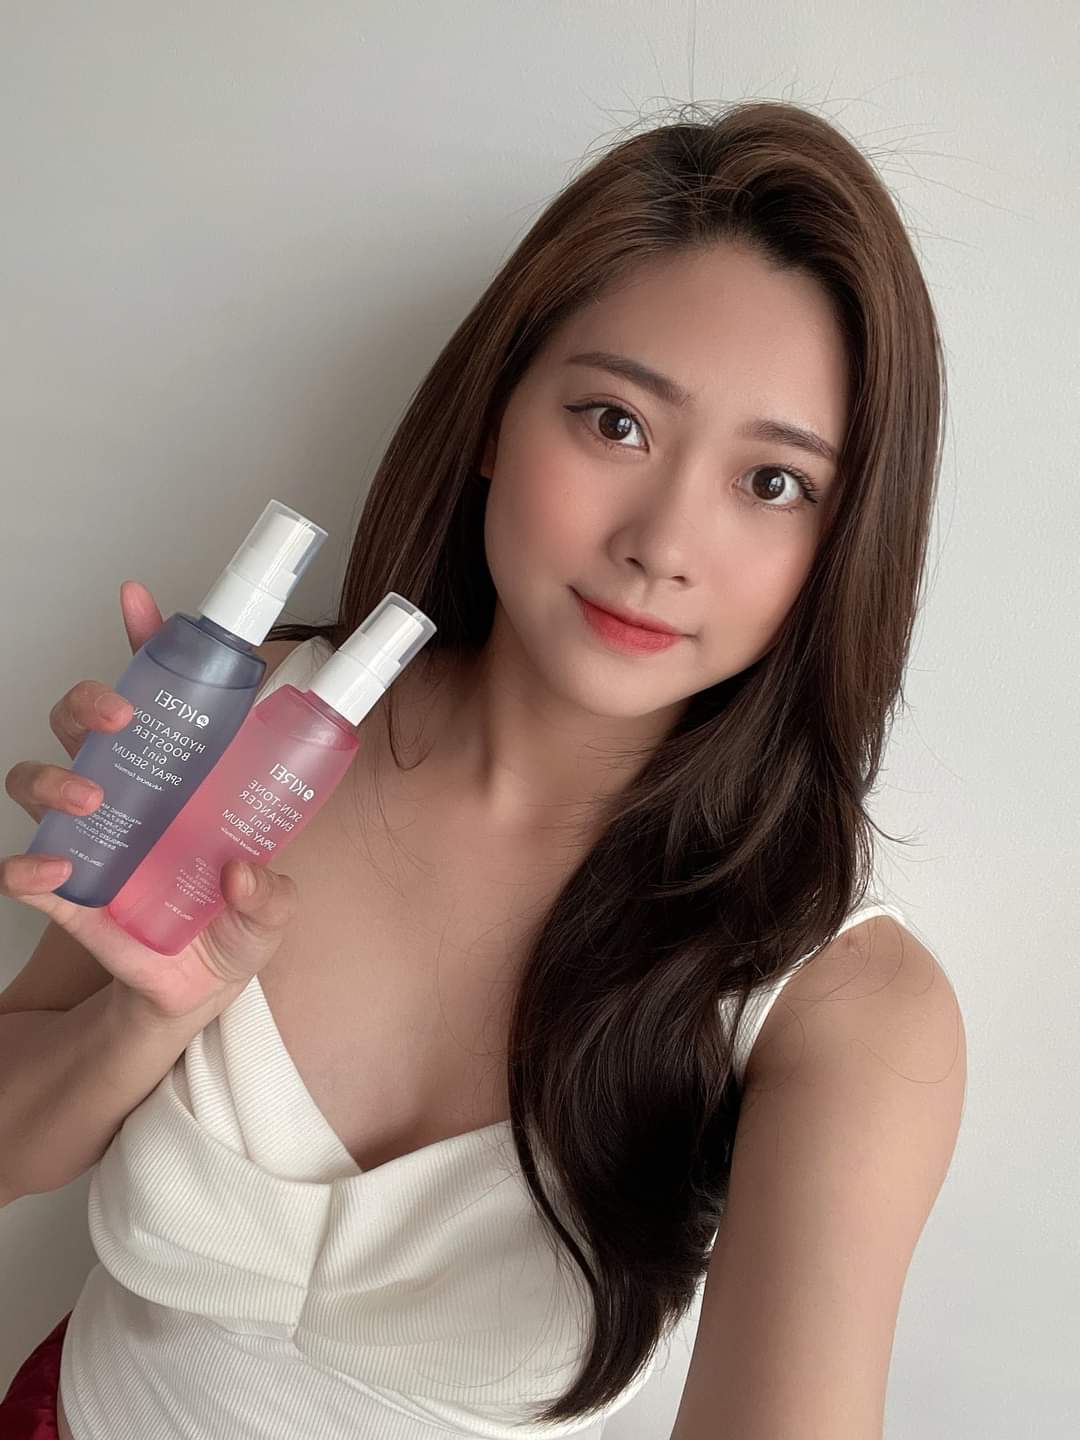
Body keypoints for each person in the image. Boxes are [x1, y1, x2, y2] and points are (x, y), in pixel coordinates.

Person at [0, 99, 966, 1439]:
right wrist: (138, 1020)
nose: (661, 543)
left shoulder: (843, 1005)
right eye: (616, 422)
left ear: (843, 543)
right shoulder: (247, 716)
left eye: (773, 484)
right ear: (495, 420)